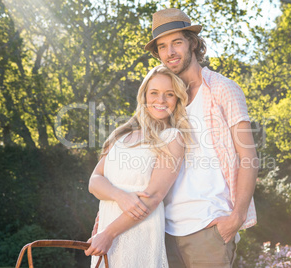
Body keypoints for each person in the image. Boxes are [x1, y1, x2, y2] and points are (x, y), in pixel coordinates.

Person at [90, 8, 258, 267]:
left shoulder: (222, 89)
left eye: (177, 42)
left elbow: (248, 156)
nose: (170, 52)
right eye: (162, 46)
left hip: (208, 226)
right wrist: (105, 219)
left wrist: (236, 217)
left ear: (192, 42)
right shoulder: (164, 103)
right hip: (161, 229)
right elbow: (132, 169)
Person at [84, 65, 192, 267]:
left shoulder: (172, 138)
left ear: (177, 99)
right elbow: (94, 181)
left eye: (169, 94)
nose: (160, 100)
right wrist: (120, 196)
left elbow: (152, 198)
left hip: (139, 232)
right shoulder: (121, 136)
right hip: (105, 235)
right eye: (154, 93)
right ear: (144, 96)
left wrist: (109, 233)